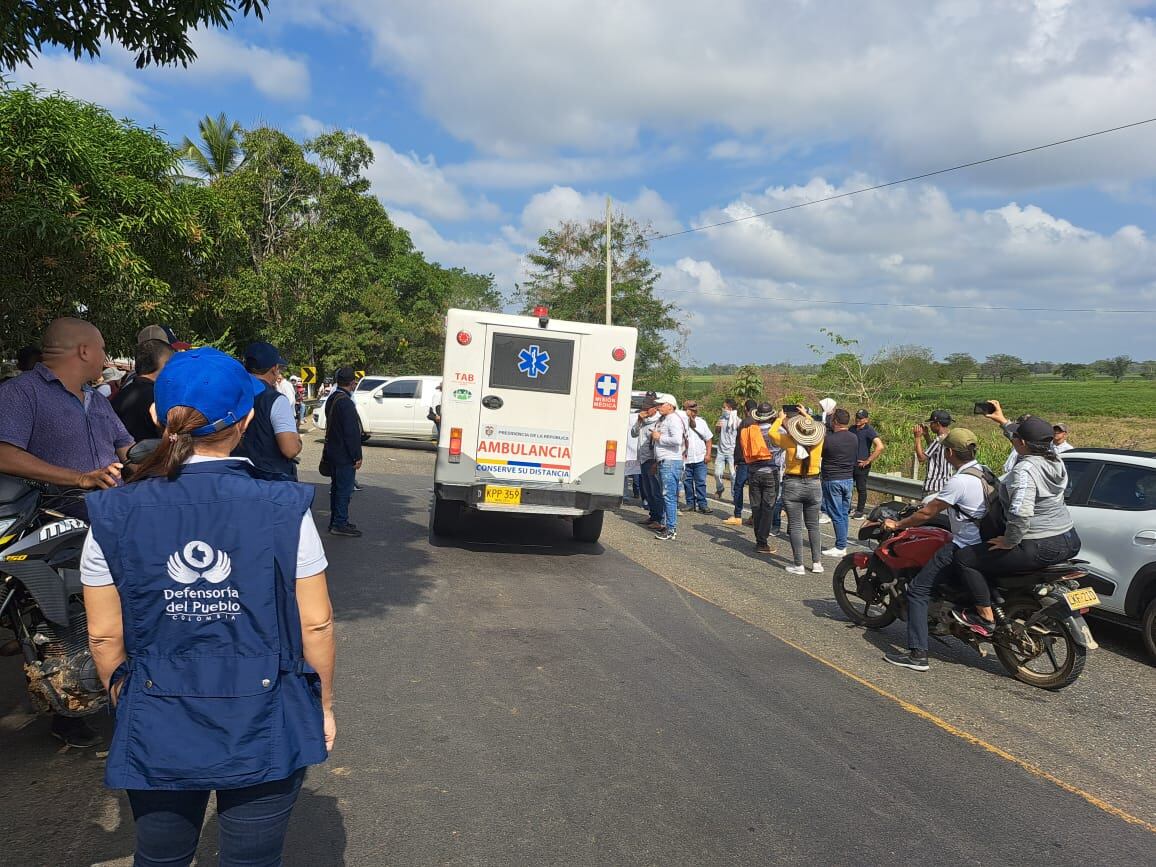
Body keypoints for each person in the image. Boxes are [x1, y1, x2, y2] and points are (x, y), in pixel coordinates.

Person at [81, 347, 336, 865]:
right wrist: (323, 706)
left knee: (160, 857)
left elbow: (105, 636)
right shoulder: (283, 507)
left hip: (156, 712)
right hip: (267, 714)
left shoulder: (113, 512)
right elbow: (317, 622)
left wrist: (124, 697)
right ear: (245, 420)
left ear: (156, 416)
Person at [0, 317, 134, 748]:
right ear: (83, 352)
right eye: (101, 349)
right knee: (61, 621)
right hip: (49, 531)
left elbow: (126, 448)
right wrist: (77, 479)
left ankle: (109, 690)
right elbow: (4, 453)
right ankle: (67, 709)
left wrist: (172, 452)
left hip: (109, 522)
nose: (106, 358)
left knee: (116, 611)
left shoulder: (97, 399)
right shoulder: (21, 393)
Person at [951, 415, 1081, 636]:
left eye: (1016, 437)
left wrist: (1009, 540)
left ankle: (985, 618)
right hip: (1069, 539)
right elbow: (1020, 437)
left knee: (966, 559)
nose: (1013, 440)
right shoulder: (1055, 459)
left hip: (1039, 543)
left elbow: (1021, 512)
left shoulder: (1025, 470)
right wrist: (1001, 419)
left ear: (1023, 443)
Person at [881, 429, 989, 671]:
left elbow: (928, 513)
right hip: (985, 543)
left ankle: (917, 654)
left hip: (964, 544)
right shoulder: (983, 472)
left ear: (949, 452)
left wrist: (898, 524)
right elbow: (941, 500)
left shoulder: (959, 480)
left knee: (918, 591)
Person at [767, 406, 825, 574]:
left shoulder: (789, 440)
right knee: (813, 526)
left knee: (795, 526)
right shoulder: (818, 441)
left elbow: (771, 433)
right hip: (814, 483)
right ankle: (817, 563)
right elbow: (816, 427)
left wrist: (780, 418)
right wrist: (806, 416)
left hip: (793, 483)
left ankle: (798, 564)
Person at [236, 343, 302, 480]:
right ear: (274, 369)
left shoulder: (232, 393)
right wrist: (298, 441)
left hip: (239, 475)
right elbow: (290, 449)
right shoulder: (275, 399)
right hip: (271, 480)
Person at [324, 367, 364, 537]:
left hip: (333, 451)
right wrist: (357, 455)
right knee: (344, 490)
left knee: (336, 488)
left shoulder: (332, 398)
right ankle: (339, 523)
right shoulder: (346, 402)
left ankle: (336, 520)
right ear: (352, 383)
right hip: (344, 454)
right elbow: (351, 432)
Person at [740, 402, 783, 555]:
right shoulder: (779, 431)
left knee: (756, 507)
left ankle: (759, 538)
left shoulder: (750, 431)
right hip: (771, 472)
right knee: (768, 507)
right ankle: (762, 542)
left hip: (753, 472)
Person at [112, 340, 174, 442]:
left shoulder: (121, 394)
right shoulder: (160, 399)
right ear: (165, 364)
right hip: (152, 455)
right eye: (172, 364)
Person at [820, 408, 857, 557]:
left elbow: (821, 453)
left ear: (835, 421)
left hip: (833, 479)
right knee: (843, 513)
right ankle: (843, 543)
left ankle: (841, 546)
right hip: (848, 479)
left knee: (836, 514)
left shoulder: (829, 439)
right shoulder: (854, 438)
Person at [651, 394, 686, 541]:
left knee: (669, 496)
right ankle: (667, 526)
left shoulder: (673, 420)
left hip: (671, 462)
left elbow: (677, 440)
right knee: (666, 496)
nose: (658, 407)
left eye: (661, 404)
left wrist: (659, 438)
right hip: (665, 461)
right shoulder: (665, 419)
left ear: (670, 406)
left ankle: (671, 529)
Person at [723, 400, 759, 527]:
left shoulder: (745, 422)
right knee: (755, 490)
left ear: (746, 409)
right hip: (758, 461)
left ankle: (737, 515)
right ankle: (755, 516)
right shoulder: (761, 421)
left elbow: (740, 443)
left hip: (745, 460)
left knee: (739, 487)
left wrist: (736, 460)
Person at [632, 396, 664, 529]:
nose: (645, 410)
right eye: (643, 408)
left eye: (647, 408)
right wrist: (639, 420)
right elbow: (634, 433)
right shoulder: (643, 420)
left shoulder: (659, 422)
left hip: (653, 459)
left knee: (656, 490)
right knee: (648, 490)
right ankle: (652, 515)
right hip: (643, 459)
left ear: (655, 408)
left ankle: (659, 518)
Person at [851, 409, 884, 518]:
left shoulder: (869, 430)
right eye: (857, 417)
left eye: (860, 418)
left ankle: (860, 511)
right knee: (848, 488)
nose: (858, 420)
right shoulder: (852, 429)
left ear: (866, 420)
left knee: (861, 488)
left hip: (862, 465)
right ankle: (847, 508)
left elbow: (880, 447)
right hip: (850, 464)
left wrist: (868, 460)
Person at [681, 401, 712, 514]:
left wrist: (708, 454)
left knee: (700, 482)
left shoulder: (701, 422)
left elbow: (708, 439)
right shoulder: (680, 422)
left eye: (695, 410)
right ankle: (690, 504)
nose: (693, 412)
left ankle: (702, 504)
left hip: (700, 458)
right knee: (687, 482)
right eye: (691, 410)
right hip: (686, 459)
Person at [914, 410, 954, 495]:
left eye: (932, 423)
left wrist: (917, 438)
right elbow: (935, 451)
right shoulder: (950, 437)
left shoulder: (939, 440)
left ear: (938, 424)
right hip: (946, 486)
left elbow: (921, 458)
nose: (930, 426)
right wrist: (926, 435)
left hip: (934, 487)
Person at [714, 398, 740, 499]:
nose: (723, 409)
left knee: (733, 475)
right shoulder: (721, 418)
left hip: (732, 452)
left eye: (724, 407)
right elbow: (717, 431)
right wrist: (717, 427)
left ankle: (734, 495)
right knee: (717, 473)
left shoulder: (737, 421)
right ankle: (720, 488)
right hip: (721, 451)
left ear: (730, 408)